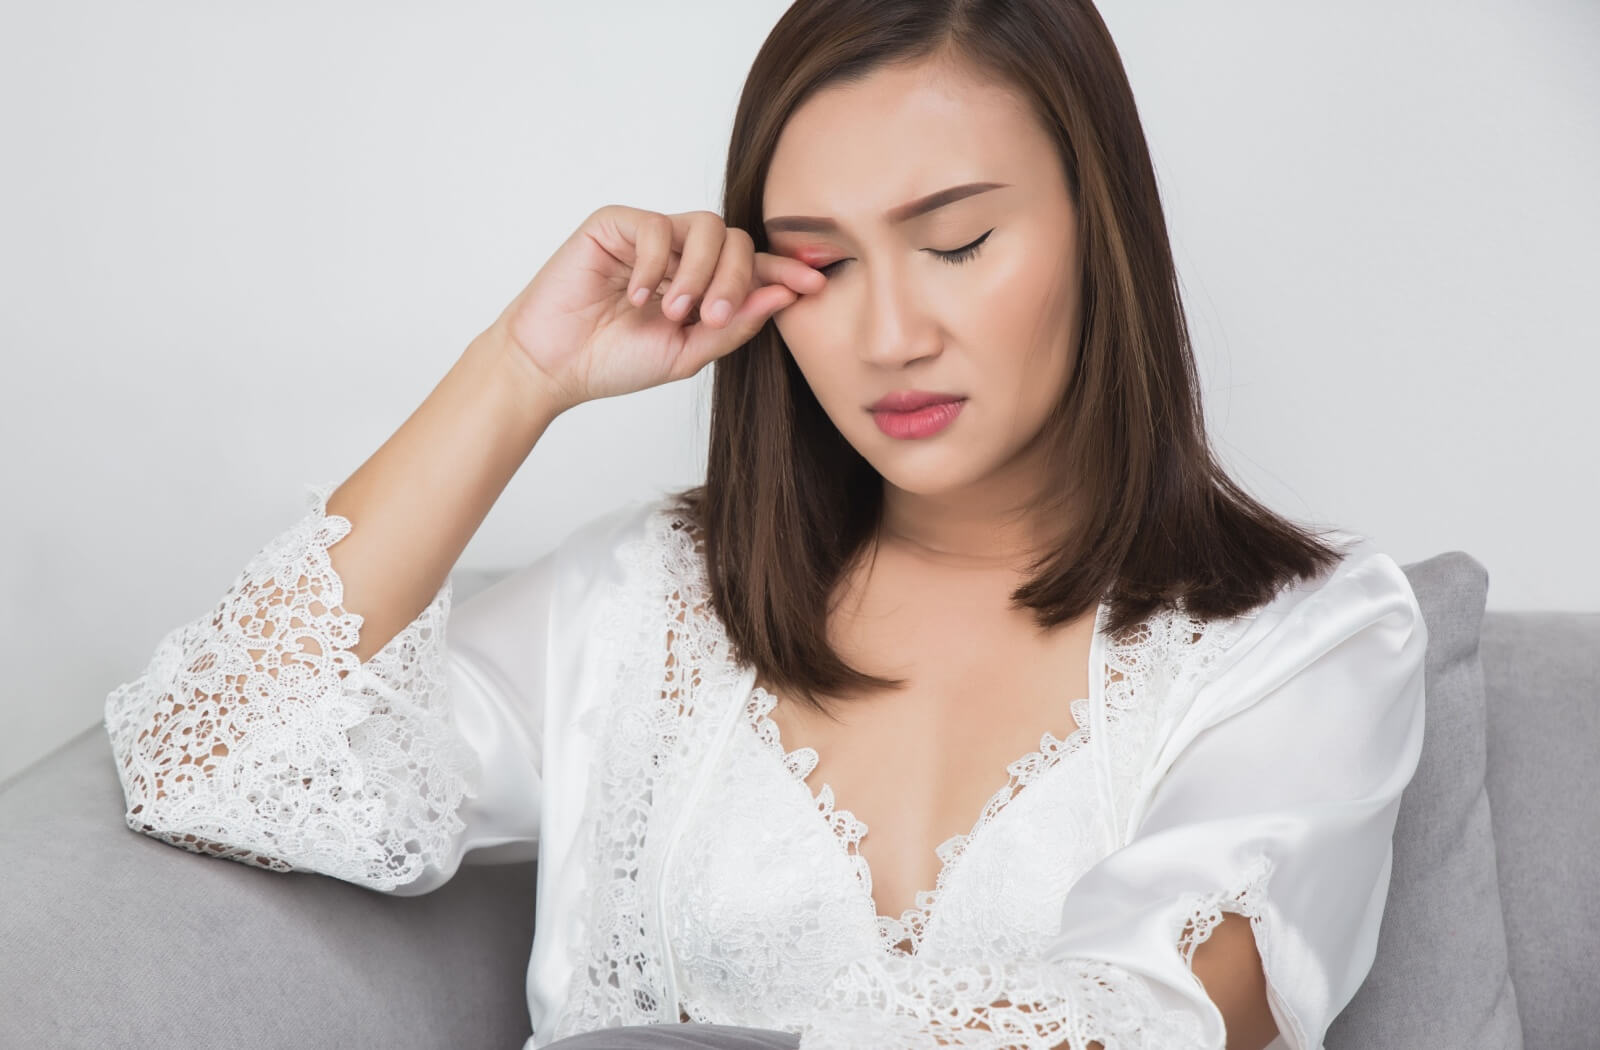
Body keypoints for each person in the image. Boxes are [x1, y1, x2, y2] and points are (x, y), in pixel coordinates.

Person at [101, 1, 1428, 1048]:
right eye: (824, 264)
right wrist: (522, 374)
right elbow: (202, 758)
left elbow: (1161, 1012)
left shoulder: (1309, 641)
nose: (891, 335)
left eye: (958, 242)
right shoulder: (646, 604)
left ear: (1104, 232)